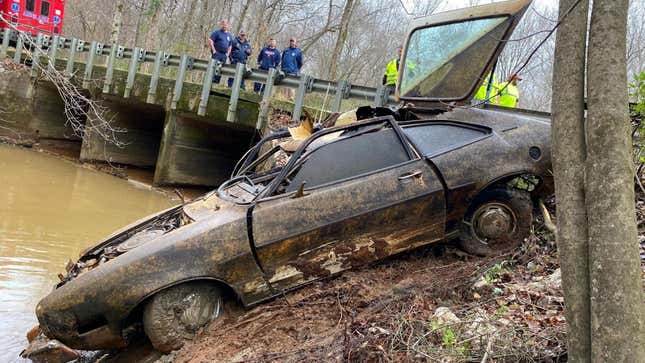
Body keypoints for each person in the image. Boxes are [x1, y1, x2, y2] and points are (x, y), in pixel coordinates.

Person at [208, 20, 233, 84]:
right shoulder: (217, 32)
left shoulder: (229, 35)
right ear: (221, 25)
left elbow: (230, 45)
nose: (224, 26)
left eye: (225, 25)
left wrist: (227, 54)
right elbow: (210, 40)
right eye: (223, 24)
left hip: (224, 55)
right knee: (214, 68)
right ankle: (210, 82)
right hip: (217, 54)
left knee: (220, 70)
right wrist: (214, 51)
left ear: (227, 25)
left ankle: (216, 83)